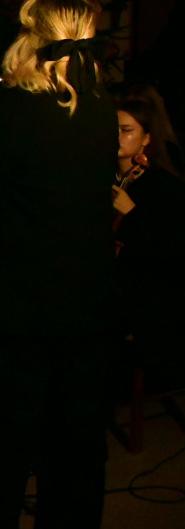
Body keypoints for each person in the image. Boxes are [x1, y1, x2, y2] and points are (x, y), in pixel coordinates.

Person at [0, 0, 117, 529]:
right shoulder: (101, 109)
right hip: (87, 305)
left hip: (19, 308)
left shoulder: (11, 111)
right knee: (76, 454)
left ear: (34, 39)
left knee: (4, 453)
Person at [112, 95, 185, 373]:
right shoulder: (105, 176)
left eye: (126, 130)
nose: (116, 136)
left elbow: (170, 252)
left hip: (149, 301)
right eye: (113, 128)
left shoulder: (161, 185)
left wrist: (132, 214)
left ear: (146, 139)